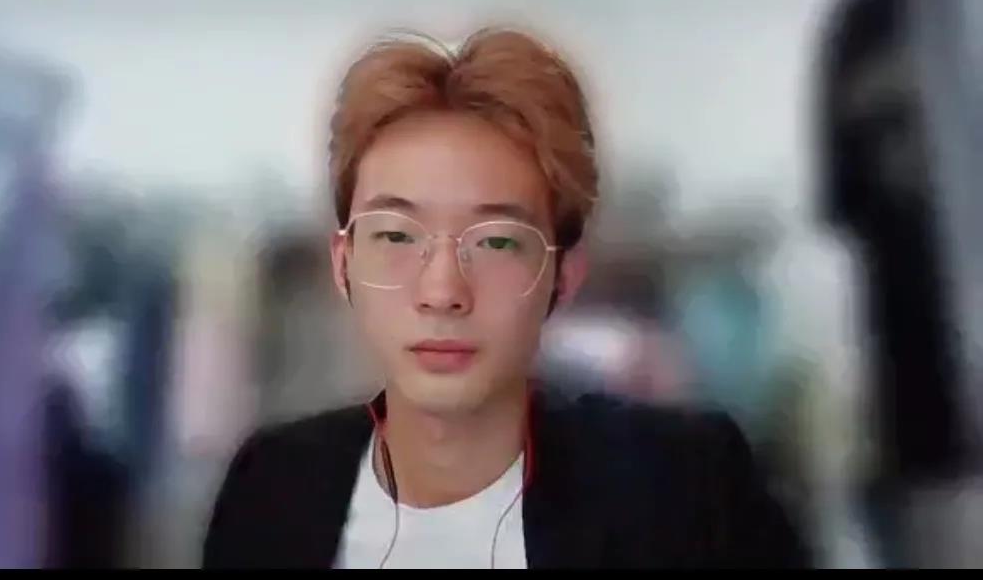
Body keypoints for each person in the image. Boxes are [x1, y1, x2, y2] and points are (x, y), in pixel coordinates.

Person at [203, 29, 810, 569]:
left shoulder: (682, 490)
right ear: (344, 265)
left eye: (496, 241)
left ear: (563, 275)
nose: (442, 292)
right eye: (396, 236)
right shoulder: (273, 487)